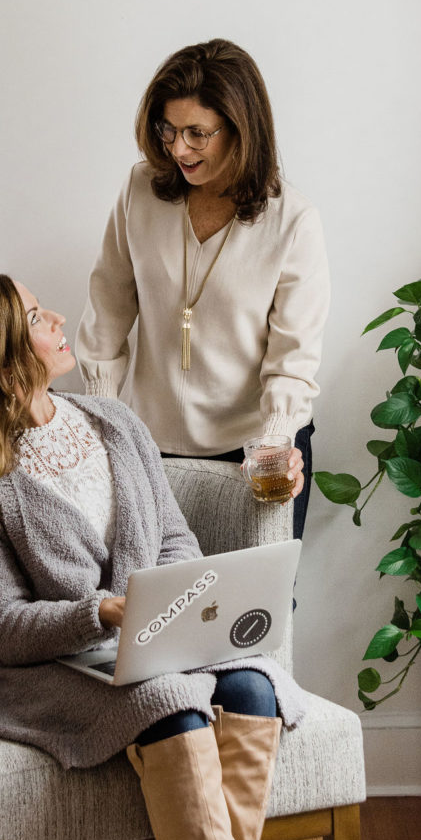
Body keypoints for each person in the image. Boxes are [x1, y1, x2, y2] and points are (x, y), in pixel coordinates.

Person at [0, 274, 310, 840]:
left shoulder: (113, 423)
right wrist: (105, 611)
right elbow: (7, 625)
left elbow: (174, 536)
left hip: (157, 634)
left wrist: (169, 605)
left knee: (253, 686)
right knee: (168, 699)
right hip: (52, 665)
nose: (58, 321)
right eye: (37, 316)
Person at [76, 39, 330, 539]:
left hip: (255, 449)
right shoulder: (140, 191)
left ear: (241, 129)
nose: (178, 149)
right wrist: (106, 419)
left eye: (197, 133)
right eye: (168, 130)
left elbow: (293, 358)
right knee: (154, 607)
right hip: (148, 446)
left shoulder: (293, 221)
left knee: (257, 610)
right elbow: (107, 308)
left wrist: (275, 443)